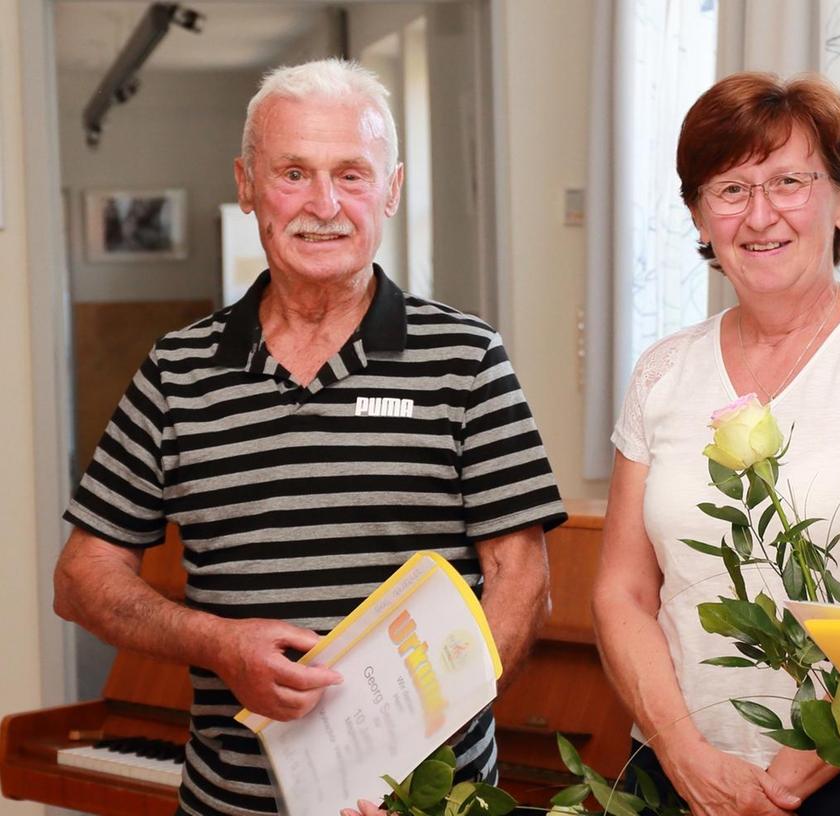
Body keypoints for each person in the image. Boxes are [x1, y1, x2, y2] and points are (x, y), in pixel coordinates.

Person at [52, 59, 567, 816]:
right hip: (231, 803)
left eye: (351, 175)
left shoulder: (467, 359)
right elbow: (81, 578)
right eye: (293, 172)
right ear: (247, 184)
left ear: (390, 189)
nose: (324, 204)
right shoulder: (176, 369)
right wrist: (217, 644)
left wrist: (414, 769)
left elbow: (524, 585)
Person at [592, 72, 840, 816]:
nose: (760, 214)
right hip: (677, 773)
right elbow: (623, 593)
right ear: (700, 218)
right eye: (729, 189)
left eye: (789, 181)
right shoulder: (662, 372)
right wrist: (685, 755)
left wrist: (785, 782)